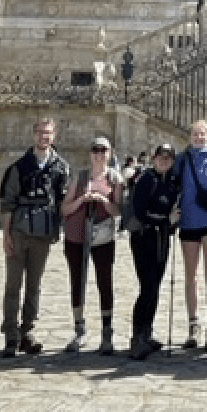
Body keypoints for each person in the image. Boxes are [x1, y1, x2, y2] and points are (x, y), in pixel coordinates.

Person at [0, 117, 71, 357]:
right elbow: (8, 202)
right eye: (40, 132)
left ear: (54, 136)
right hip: (19, 232)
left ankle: (27, 331)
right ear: (33, 135)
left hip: (42, 234)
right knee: (13, 284)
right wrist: (6, 234)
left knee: (34, 285)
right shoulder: (19, 167)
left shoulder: (60, 167)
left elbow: (63, 202)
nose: (44, 137)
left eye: (48, 133)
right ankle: (11, 334)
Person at [60, 137, 124, 354]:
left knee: (105, 281)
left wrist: (104, 201)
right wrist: (81, 200)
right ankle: (79, 327)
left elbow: (118, 211)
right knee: (77, 280)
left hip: (103, 237)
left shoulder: (115, 179)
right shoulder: (80, 177)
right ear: (90, 153)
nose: (99, 154)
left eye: (103, 150)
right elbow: (65, 209)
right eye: (95, 150)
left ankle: (107, 331)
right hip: (76, 235)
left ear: (110, 153)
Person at [174, 120, 207, 351]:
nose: (198, 137)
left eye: (202, 134)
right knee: (191, 276)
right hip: (188, 221)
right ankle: (193, 324)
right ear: (189, 136)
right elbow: (171, 181)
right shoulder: (182, 158)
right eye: (195, 134)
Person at [128, 143, 180, 360]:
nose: (164, 160)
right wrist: (165, 221)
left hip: (161, 239)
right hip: (144, 238)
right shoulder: (146, 179)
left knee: (155, 286)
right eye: (161, 157)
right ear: (154, 158)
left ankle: (147, 332)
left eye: (168, 158)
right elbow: (139, 211)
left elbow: (171, 214)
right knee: (147, 286)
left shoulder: (170, 182)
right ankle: (137, 337)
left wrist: (172, 222)